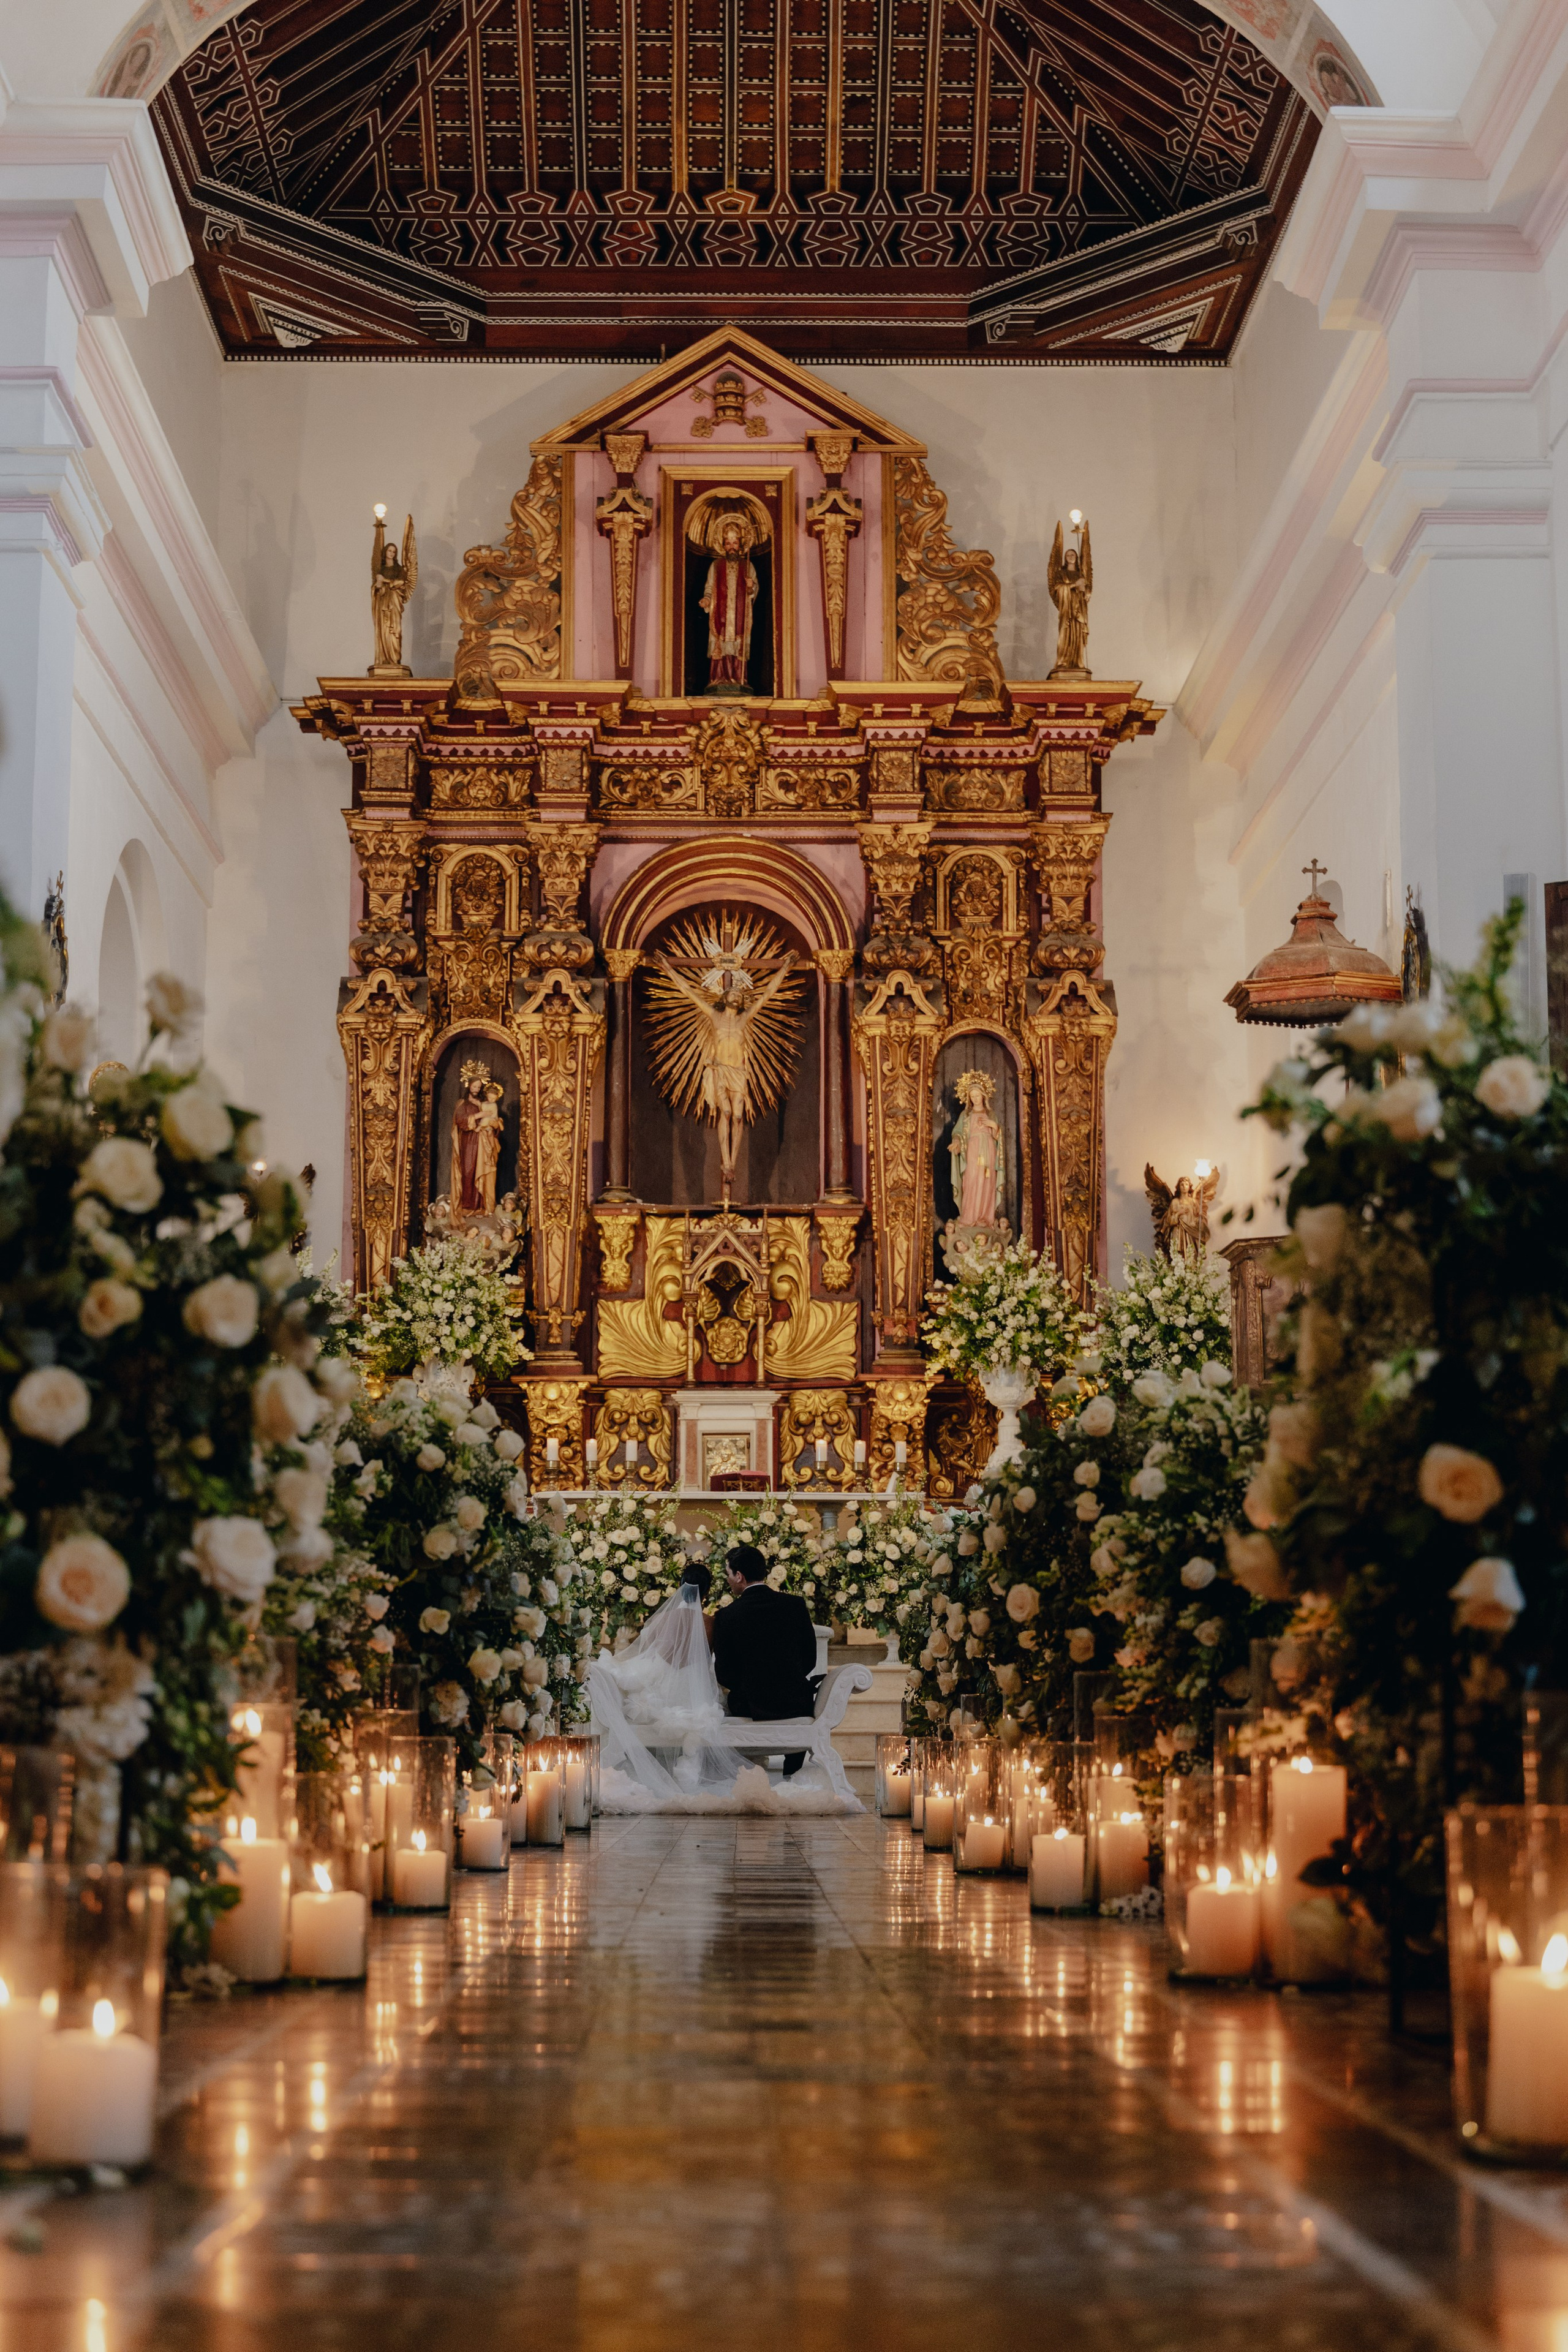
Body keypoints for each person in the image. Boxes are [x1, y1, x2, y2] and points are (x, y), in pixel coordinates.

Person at [710, 1544, 819, 1777]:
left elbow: (725, 1674)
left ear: (739, 1576)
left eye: (728, 1574)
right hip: (795, 1702)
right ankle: (792, 1772)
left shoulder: (726, 1617)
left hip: (750, 1705)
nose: (728, 1580)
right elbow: (810, 1658)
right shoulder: (795, 1606)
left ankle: (745, 1776)